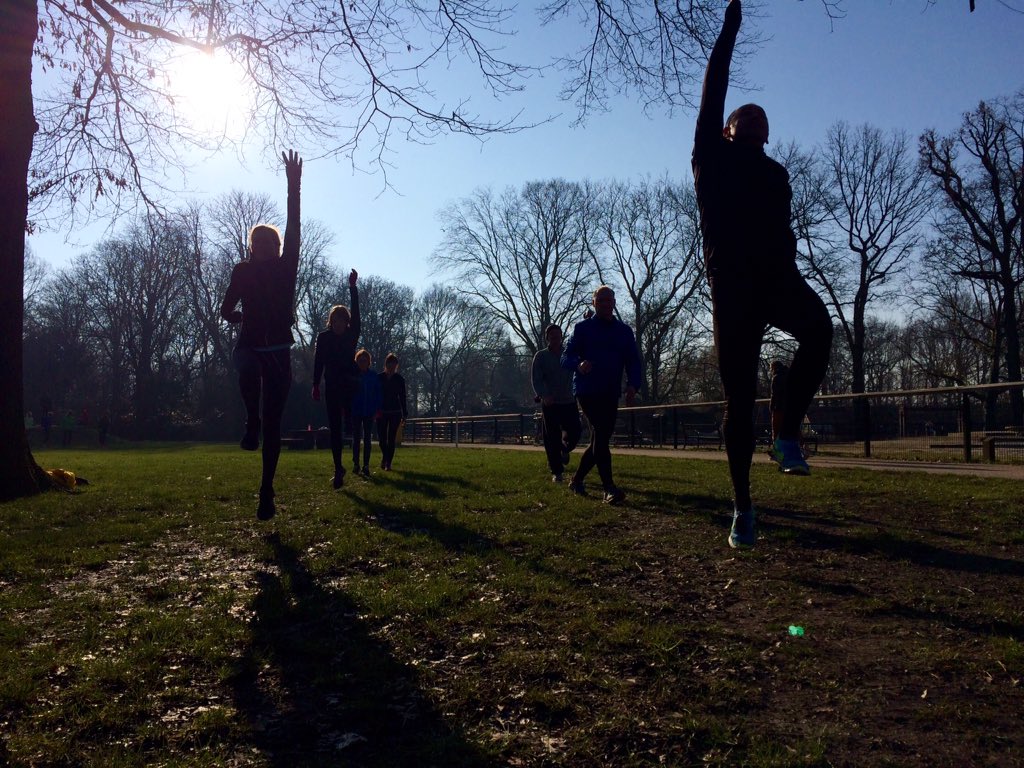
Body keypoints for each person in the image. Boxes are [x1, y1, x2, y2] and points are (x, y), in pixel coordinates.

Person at [693, 0, 833, 548]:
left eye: (762, 118)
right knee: (736, 401)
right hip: (734, 292)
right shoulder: (710, 155)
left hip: (778, 278)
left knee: (820, 330)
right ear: (726, 131)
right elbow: (715, 88)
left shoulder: (776, 172)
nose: (753, 116)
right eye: (742, 115)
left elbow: (782, 230)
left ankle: (786, 424)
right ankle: (742, 505)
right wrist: (729, 28)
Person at [220, 149, 303, 521]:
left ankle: (266, 490)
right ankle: (249, 421)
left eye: (270, 243)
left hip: (280, 352)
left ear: (278, 247)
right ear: (252, 246)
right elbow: (225, 308)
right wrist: (235, 316)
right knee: (246, 366)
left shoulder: (287, 268)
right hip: (250, 345)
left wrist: (293, 183)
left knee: (275, 427)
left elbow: (294, 223)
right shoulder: (242, 271)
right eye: (259, 243)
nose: (264, 247)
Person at [561, 286, 643, 505]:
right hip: (587, 390)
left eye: (610, 300)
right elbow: (565, 357)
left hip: (610, 390)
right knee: (600, 430)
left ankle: (577, 480)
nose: (606, 304)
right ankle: (609, 488)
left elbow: (633, 360)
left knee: (601, 438)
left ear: (614, 303)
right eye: (602, 300)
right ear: (593, 302)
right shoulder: (582, 329)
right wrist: (579, 364)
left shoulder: (624, 331)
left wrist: (634, 385)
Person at [312, 270, 361, 489]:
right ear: (331, 322)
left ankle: (351, 422)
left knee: (347, 416)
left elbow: (358, 315)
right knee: (334, 427)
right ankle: (338, 467)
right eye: (335, 320)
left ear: (346, 323)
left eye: (342, 320)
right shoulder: (324, 338)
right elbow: (318, 361)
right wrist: (315, 384)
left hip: (348, 382)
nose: (338, 324)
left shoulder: (351, 336)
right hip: (331, 384)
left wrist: (353, 288)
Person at [532, 324, 581, 482]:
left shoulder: (569, 354)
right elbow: (536, 379)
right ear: (547, 338)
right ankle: (557, 471)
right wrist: (544, 395)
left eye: (558, 336)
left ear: (561, 336)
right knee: (551, 437)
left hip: (569, 401)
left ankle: (565, 448)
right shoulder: (541, 356)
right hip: (551, 403)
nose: (555, 339)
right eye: (552, 336)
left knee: (575, 431)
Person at [350, 349, 383, 477]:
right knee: (356, 438)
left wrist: (377, 409)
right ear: (356, 361)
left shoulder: (373, 376)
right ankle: (356, 463)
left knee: (367, 439)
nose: (362, 363)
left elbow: (378, 393)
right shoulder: (353, 376)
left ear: (368, 362)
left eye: (365, 360)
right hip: (356, 410)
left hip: (369, 411)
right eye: (360, 360)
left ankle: (366, 465)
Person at [378, 353, 408, 471]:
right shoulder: (379, 378)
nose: (392, 367)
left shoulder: (400, 379)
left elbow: (402, 397)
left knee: (391, 438)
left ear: (396, 366)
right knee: (381, 438)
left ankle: (388, 462)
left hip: (395, 411)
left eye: (394, 364)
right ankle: (385, 457)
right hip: (382, 410)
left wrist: (404, 413)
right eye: (390, 364)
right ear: (386, 364)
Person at [768, 360, 789, 447]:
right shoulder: (789, 376)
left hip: (779, 406)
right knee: (791, 428)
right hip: (789, 406)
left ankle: (777, 450)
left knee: (776, 429)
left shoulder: (776, 377)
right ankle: (803, 447)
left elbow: (775, 394)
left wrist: (771, 406)